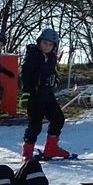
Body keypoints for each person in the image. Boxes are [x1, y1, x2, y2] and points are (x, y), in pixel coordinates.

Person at [19, 28, 71, 161]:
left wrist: (55, 79)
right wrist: (26, 93)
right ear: (39, 42)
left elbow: (51, 72)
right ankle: (27, 151)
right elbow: (26, 75)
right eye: (45, 43)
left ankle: (51, 149)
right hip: (35, 95)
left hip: (48, 94)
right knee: (35, 124)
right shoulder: (33, 56)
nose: (47, 47)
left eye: (50, 44)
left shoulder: (52, 58)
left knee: (58, 119)